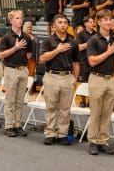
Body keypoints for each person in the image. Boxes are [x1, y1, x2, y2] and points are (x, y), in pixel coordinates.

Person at [40, 14, 80, 145]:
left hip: (68, 77)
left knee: (65, 108)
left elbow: (76, 62)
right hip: (52, 76)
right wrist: (57, 50)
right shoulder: (48, 41)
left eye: (65, 22)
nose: (63, 24)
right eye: (60, 22)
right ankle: (50, 133)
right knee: (51, 107)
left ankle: (62, 133)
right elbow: (42, 59)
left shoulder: (73, 41)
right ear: (54, 26)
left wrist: (75, 79)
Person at [86, 9, 114, 155]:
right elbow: (92, 62)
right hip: (97, 78)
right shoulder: (93, 39)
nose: (108, 22)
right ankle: (93, 141)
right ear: (99, 22)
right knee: (96, 112)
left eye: (110, 19)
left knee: (107, 114)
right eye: (105, 19)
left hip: (111, 79)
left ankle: (103, 141)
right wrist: (108, 52)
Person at [0, 10, 32, 137]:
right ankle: (8, 126)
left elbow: (29, 54)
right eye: (17, 18)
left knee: (19, 100)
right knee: (10, 100)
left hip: (23, 70)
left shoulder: (27, 37)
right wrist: (16, 48)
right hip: (10, 70)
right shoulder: (6, 37)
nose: (20, 20)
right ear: (11, 21)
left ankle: (17, 125)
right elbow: (1, 55)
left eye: (21, 18)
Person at [76, 16, 96, 107]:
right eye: (90, 22)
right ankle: (83, 100)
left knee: (92, 82)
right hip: (83, 60)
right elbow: (79, 48)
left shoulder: (97, 34)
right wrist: (89, 43)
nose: (92, 24)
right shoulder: (80, 34)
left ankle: (91, 101)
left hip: (94, 60)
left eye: (93, 22)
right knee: (83, 81)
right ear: (86, 24)